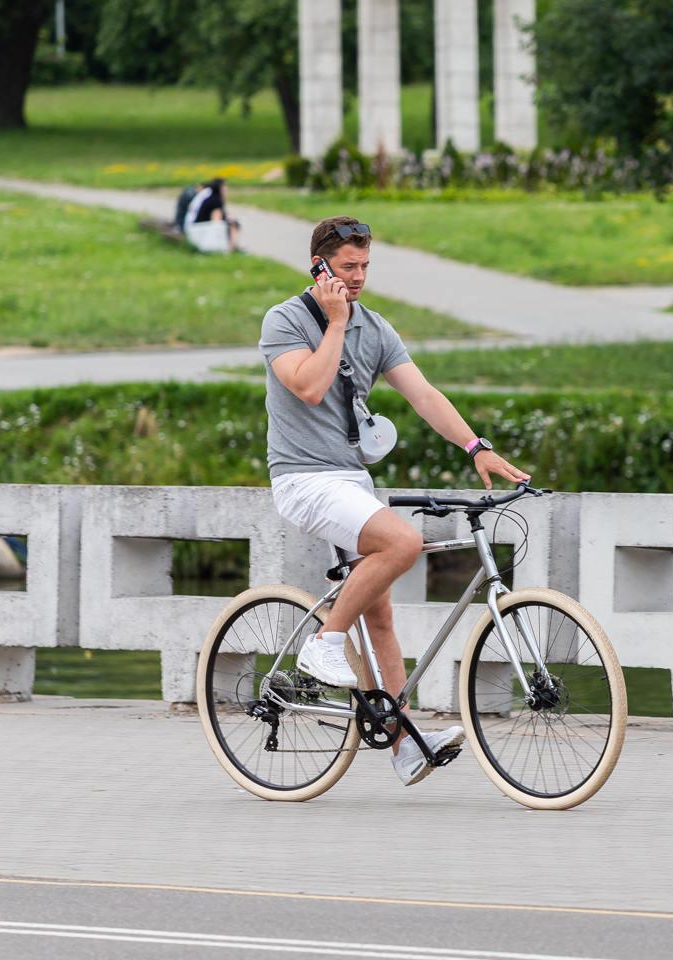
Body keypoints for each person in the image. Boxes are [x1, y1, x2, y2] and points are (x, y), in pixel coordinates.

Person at [259, 215, 531, 787]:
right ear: (319, 265)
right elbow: (308, 386)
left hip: (349, 481)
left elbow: (423, 393)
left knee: (378, 612)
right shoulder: (284, 321)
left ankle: (404, 742)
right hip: (303, 479)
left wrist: (475, 446)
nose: (357, 278)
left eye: (364, 267)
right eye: (346, 267)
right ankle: (325, 643)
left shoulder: (375, 328)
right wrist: (334, 323)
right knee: (403, 541)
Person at [183, 177, 242, 254]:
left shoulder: (209, 197)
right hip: (200, 229)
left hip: (194, 226)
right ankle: (231, 249)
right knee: (233, 225)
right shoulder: (216, 201)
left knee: (230, 223)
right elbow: (216, 221)